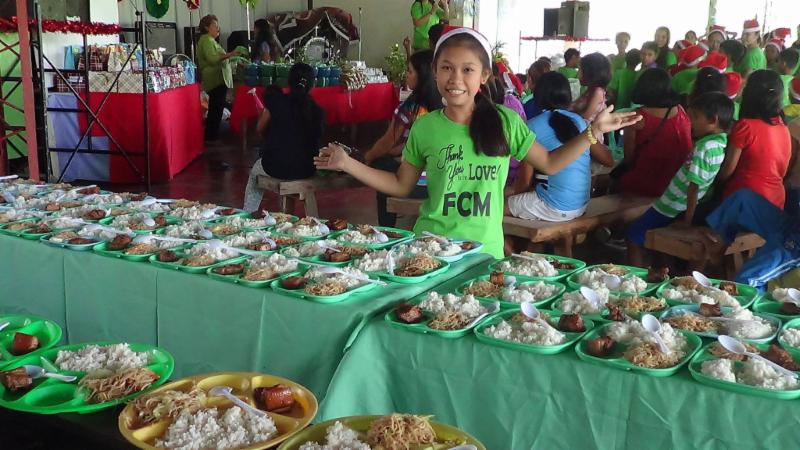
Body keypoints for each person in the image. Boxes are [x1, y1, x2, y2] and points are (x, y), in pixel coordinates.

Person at [313, 27, 640, 258]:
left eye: (467, 69)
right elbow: (401, 185)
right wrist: (348, 163)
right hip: (431, 249)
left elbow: (551, 163)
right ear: (435, 72)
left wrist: (592, 133)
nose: (455, 79)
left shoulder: (505, 121)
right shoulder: (425, 127)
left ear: (484, 75)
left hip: (484, 252)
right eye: (446, 68)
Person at [626, 92, 733, 267]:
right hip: (679, 204)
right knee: (662, 245)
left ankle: (635, 276)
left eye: (695, 117)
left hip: (670, 205)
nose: (691, 122)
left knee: (632, 236)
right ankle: (663, 274)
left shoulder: (704, 148)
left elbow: (694, 187)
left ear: (713, 120)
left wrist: (687, 221)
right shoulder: (720, 144)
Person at [365, 50, 442, 226]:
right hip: (440, 182)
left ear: (422, 75)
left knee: (381, 167)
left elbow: (387, 142)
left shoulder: (411, 107)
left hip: (414, 184)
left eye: (410, 71)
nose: (407, 75)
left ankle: (386, 229)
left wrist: (366, 158)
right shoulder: (445, 106)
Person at [506, 72, 591, 223]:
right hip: (581, 205)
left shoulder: (532, 126)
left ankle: (508, 241)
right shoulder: (579, 121)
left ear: (538, 96)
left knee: (493, 208)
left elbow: (524, 182)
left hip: (554, 206)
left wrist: (511, 196)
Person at [243, 63, 325, 212]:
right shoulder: (317, 110)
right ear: (312, 85)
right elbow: (317, 138)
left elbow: (260, 128)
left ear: (289, 82)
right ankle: (300, 217)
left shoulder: (276, 101)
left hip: (275, 166)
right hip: (306, 169)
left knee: (255, 171)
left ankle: (247, 212)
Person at [715, 70, 791, 210]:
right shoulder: (783, 127)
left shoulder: (746, 126)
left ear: (749, 94)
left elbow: (727, 171)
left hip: (743, 200)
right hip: (776, 202)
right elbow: (782, 170)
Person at [701, 189, 800, 291]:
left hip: (795, 246)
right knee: (742, 199)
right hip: (791, 225)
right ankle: (716, 252)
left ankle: (754, 297)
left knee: (745, 283)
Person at [618, 68, 693, 197]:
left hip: (644, 183)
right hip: (676, 183)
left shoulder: (637, 117)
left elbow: (628, 159)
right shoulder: (680, 110)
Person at [197, 15, 240, 141]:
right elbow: (212, 59)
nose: (218, 28)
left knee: (216, 108)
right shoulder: (206, 40)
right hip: (215, 79)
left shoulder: (211, 41)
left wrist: (233, 57)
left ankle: (212, 136)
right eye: (214, 25)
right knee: (215, 109)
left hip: (218, 79)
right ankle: (211, 137)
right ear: (207, 27)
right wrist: (230, 54)